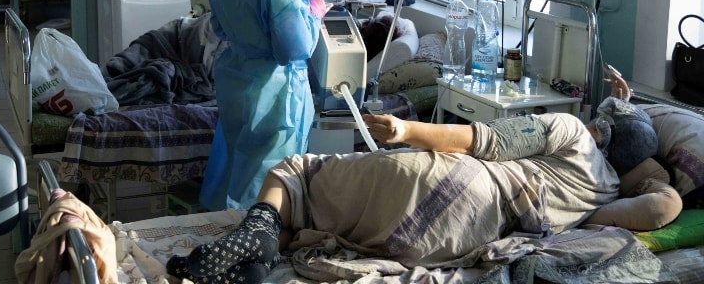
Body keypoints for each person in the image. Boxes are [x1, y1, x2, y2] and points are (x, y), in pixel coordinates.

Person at [168, 73, 663, 283]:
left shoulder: (572, 129)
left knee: (298, 172)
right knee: (320, 218)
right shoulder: (609, 191)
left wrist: (408, 129)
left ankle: (256, 232)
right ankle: (260, 258)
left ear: (601, 128)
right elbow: (662, 205)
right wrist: (657, 171)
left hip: (448, 179)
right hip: (464, 236)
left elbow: (482, 139)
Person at [199, 0, 330, 211]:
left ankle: (223, 237)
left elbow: (221, 27)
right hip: (274, 96)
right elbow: (295, 48)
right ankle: (251, 248)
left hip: (237, 83)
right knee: (268, 188)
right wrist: (314, 13)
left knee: (238, 173)